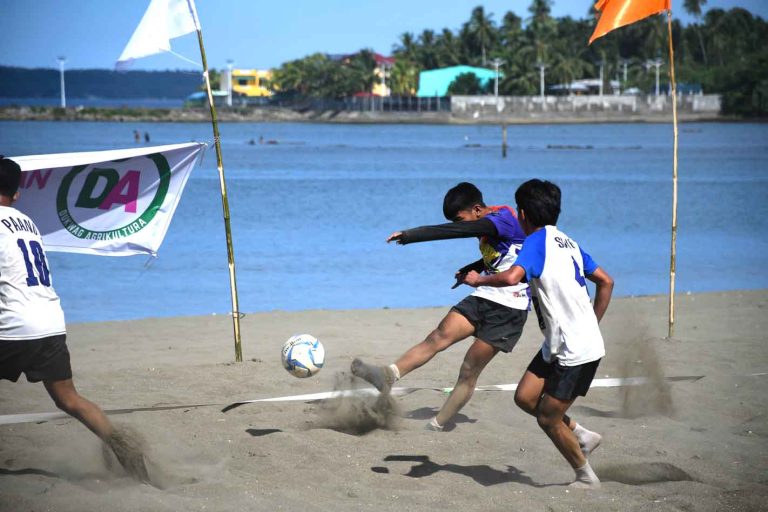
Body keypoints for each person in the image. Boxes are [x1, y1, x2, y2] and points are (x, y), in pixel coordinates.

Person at [0, 156, 149, 483]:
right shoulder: (28, 224)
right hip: (50, 321)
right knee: (70, 399)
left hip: (13, 327)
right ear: (17, 194)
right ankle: (128, 453)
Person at [461, 179, 614, 489]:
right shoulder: (567, 241)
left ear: (522, 213)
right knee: (525, 397)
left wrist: (479, 280)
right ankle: (582, 435)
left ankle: (586, 477)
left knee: (547, 418)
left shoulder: (535, 241)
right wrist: (591, 322)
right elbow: (606, 281)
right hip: (560, 343)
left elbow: (513, 276)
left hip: (576, 350)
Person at [351, 182, 530, 431]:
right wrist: (473, 268)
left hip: (510, 307)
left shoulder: (502, 219)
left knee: (469, 369)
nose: (460, 225)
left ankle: (436, 424)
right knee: (437, 336)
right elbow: (507, 252)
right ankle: (387, 375)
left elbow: (452, 232)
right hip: (486, 294)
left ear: (477, 210)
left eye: (460, 219)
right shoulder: (490, 223)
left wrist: (412, 235)